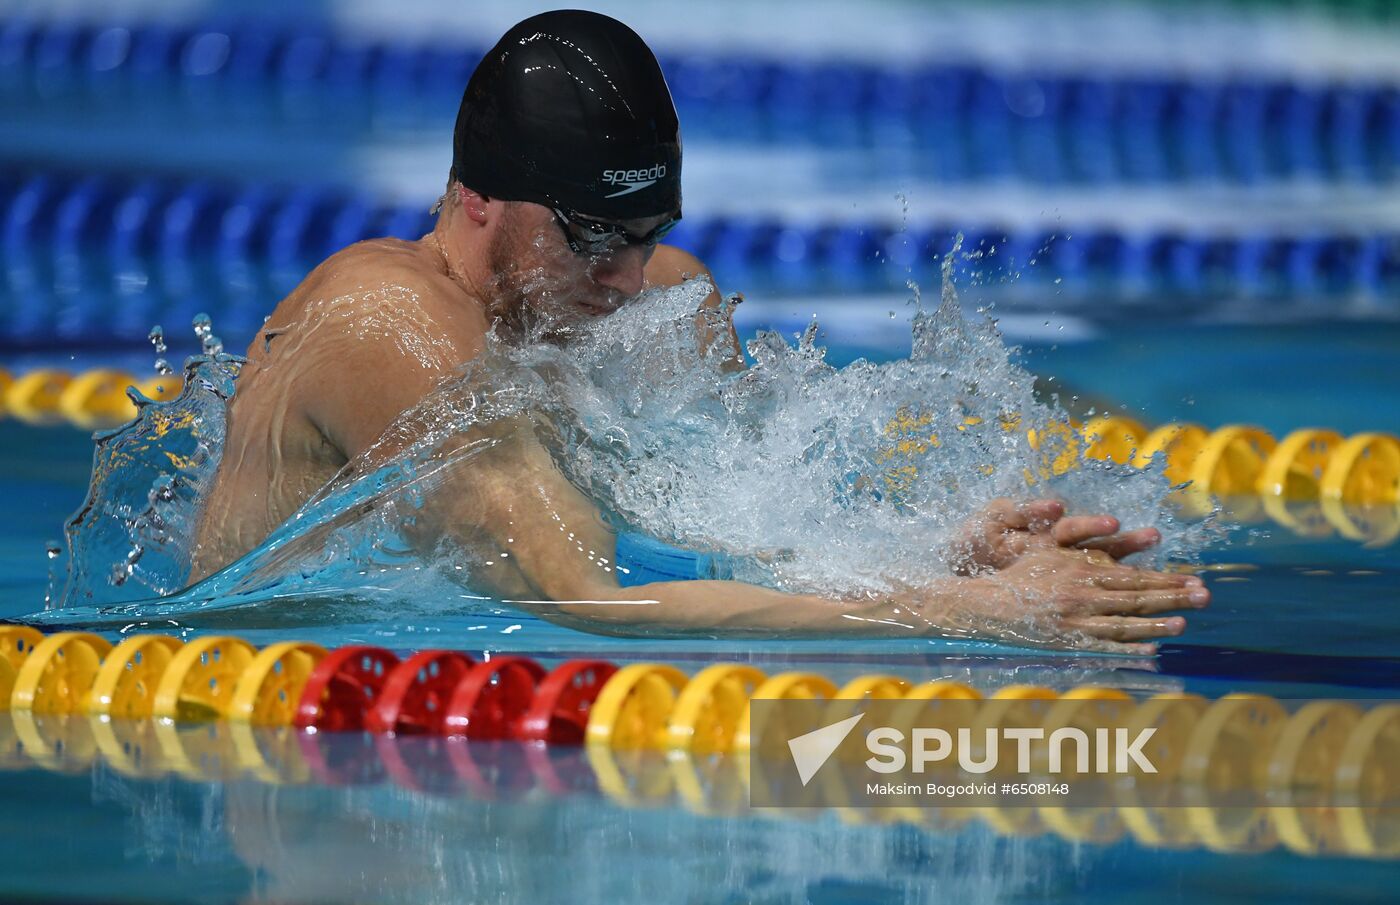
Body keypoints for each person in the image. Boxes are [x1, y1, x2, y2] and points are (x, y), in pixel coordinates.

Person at [190, 10, 1208, 653]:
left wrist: (936, 560)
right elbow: (585, 598)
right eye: (591, 235)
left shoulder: (646, 300)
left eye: (646, 234)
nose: (629, 278)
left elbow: (709, 538)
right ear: (478, 200)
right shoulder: (387, 320)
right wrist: (956, 616)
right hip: (291, 719)